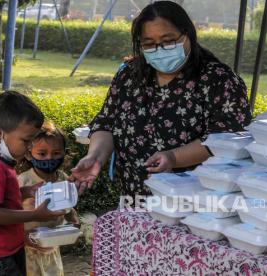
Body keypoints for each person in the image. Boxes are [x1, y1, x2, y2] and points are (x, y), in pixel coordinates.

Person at [70, 1, 252, 198]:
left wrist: (173, 157)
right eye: (149, 44)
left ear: (187, 35)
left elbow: (227, 137)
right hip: (134, 197)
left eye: (168, 41)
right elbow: (106, 123)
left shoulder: (219, 79)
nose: (160, 49)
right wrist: (95, 157)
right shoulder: (130, 75)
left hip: (195, 203)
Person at [0, 91, 66, 276]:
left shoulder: (0, 161)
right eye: (26, 141)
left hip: (4, 250)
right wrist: (33, 215)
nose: (28, 147)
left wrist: (25, 191)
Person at [18, 121, 79, 276]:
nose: (49, 158)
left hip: (52, 250)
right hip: (27, 251)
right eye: (42, 153)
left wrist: (71, 216)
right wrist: (22, 237)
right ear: (28, 154)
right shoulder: (22, 182)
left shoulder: (64, 180)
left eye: (56, 153)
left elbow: (67, 206)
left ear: (65, 152)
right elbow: (8, 214)